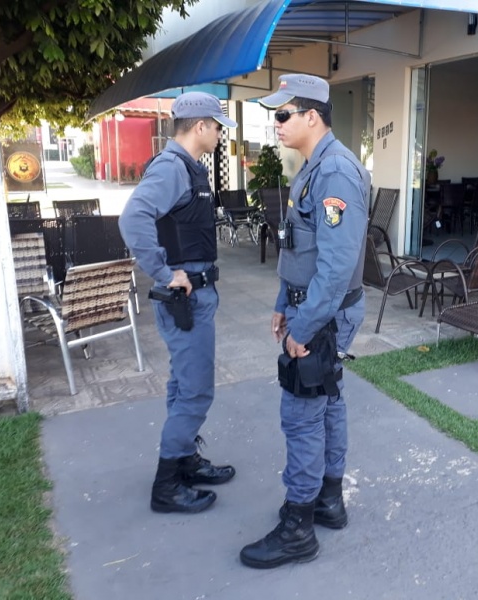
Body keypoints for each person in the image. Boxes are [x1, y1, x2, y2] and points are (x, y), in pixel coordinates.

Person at [239, 74, 370, 569]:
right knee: (328, 400)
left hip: (323, 312)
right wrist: (281, 300)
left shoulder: (334, 172)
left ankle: (298, 527)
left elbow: (335, 270)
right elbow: (303, 249)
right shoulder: (315, 166)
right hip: (311, 305)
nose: (275, 124)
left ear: (311, 115)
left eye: (282, 114)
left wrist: (303, 327)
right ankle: (328, 501)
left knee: (302, 414)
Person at [118, 91, 237, 514]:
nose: (222, 133)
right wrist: (166, 272)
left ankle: (184, 459)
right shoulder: (173, 167)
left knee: (182, 384)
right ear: (201, 126)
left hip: (195, 295)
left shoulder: (185, 167)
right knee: (195, 391)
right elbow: (133, 219)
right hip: (184, 297)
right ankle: (167, 487)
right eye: (219, 125)